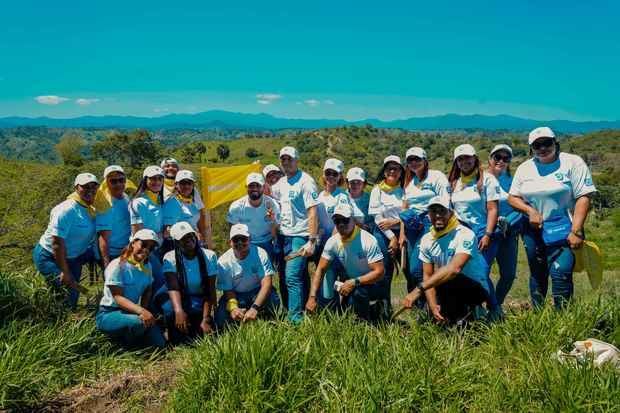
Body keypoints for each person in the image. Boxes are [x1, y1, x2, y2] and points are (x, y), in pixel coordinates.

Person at [508, 127, 597, 309]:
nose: (542, 148)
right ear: (531, 148)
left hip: (565, 227)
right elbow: (512, 197)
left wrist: (577, 230)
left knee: (561, 272)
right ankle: (539, 316)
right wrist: (529, 211)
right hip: (533, 230)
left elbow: (584, 196)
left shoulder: (572, 163)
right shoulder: (525, 168)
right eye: (536, 145)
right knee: (538, 273)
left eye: (547, 143)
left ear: (555, 143)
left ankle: (562, 318)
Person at [402, 197, 491, 325]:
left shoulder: (465, 234)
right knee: (437, 284)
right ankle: (447, 318)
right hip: (448, 285)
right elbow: (427, 275)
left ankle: (474, 313)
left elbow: (455, 268)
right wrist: (433, 306)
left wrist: (418, 289)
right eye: (433, 211)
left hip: (475, 286)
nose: (438, 215)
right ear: (428, 215)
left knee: (447, 279)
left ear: (451, 213)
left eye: (442, 211)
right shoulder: (426, 239)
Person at [306, 204, 387, 322]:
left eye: (345, 220)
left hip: (373, 283)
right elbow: (320, 270)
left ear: (353, 220)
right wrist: (312, 297)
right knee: (328, 276)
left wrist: (355, 282)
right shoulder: (333, 241)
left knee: (359, 293)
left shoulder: (368, 240)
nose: (341, 224)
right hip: (351, 282)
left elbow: (380, 272)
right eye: (337, 221)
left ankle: (365, 324)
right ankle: (332, 314)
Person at [448, 143, 501, 315]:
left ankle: (494, 310)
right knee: (467, 273)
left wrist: (487, 234)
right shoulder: (454, 182)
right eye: (460, 159)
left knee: (481, 273)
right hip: (462, 233)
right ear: (456, 162)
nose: (464, 162)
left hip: (483, 231)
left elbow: (493, 209)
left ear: (475, 158)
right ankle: (475, 310)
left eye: (467, 158)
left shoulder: (487, 179)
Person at [33, 173, 98, 308]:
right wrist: (65, 271)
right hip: (50, 256)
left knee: (71, 296)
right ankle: (56, 320)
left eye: (93, 186)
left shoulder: (89, 208)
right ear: (76, 188)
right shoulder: (66, 210)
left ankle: (70, 309)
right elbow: (56, 243)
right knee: (70, 291)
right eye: (85, 187)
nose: (90, 190)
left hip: (73, 257)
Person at [271, 146, 320, 323]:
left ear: (296, 160)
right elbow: (269, 194)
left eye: (289, 159)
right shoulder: (281, 183)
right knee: (286, 277)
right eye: (283, 159)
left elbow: (312, 211)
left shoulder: (306, 181)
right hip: (283, 236)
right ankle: (297, 311)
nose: (286, 162)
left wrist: (312, 240)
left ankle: (295, 320)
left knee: (292, 276)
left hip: (300, 236)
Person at [95, 229, 166, 349]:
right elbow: (118, 298)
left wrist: (144, 309)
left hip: (131, 311)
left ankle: (134, 338)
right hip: (110, 312)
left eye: (151, 248)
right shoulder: (118, 265)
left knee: (159, 344)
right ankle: (121, 344)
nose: (146, 250)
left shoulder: (147, 266)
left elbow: (148, 289)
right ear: (133, 243)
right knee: (139, 323)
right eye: (143, 245)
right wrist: (142, 312)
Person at [314, 158, 364, 309]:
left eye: (334, 174)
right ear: (323, 174)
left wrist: (330, 244)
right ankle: (331, 313)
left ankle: (348, 313)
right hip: (322, 245)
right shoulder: (319, 196)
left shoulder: (342, 197)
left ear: (340, 177)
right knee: (327, 282)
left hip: (338, 246)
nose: (330, 177)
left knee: (342, 280)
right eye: (328, 173)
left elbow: (340, 222)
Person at [399, 147, 450, 293]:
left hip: (429, 223)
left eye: (417, 159)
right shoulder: (410, 183)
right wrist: (402, 234)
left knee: (418, 268)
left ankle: (431, 302)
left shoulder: (436, 176)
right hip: (411, 226)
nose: (413, 163)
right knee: (410, 269)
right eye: (410, 160)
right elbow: (405, 208)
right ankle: (423, 305)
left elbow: (446, 201)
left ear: (425, 160)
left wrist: (439, 223)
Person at [160, 222, 218, 344]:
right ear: (176, 242)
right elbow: (173, 287)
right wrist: (179, 311)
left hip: (199, 298)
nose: (188, 240)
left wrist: (206, 317)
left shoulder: (209, 256)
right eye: (183, 238)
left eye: (190, 236)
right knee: (170, 310)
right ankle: (173, 332)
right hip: (180, 297)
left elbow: (209, 289)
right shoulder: (170, 258)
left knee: (200, 325)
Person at [214, 224, 279, 330]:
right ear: (230, 242)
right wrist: (234, 308)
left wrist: (254, 308)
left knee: (272, 300)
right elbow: (228, 290)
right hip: (236, 295)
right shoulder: (223, 261)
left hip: (256, 291)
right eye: (236, 240)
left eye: (243, 239)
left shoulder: (261, 253)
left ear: (250, 239)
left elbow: (267, 283)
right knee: (220, 318)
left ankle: (269, 323)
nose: (240, 243)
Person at [486, 144, 521, 305]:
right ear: (490, 159)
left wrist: (509, 221)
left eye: (506, 158)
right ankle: (486, 306)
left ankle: (496, 305)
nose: (501, 161)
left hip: (508, 233)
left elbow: (522, 206)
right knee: (482, 272)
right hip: (487, 233)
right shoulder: (481, 179)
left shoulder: (513, 181)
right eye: (497, 157)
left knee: (508, 274)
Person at [368, 155, 405, 305]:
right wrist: (392, 238)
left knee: (408, 271)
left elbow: (408, 212)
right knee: (383, 271)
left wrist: (397, 221)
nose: (392, 171)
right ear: (384, 171)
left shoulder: (405, 188)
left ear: (401, 171)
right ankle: (383, 305)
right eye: (389, 168)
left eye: (396, 168)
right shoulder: (377, 190)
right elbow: (377, 218)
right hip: (383, 234)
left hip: (404, 231)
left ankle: (418, 306)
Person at [129, 165, 166, 294]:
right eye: (152, 179)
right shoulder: (138, 202)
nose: (156, 182)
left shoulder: (160, 201)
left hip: (159, 247)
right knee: (159, 281)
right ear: (145, 181)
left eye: (159, 179)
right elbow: (137, 233)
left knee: (154, 282)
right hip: (146, 249)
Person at [227, 172, 280, 260]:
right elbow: (232, 229)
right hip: (246, 243)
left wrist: (273, 221)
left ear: (263, 187)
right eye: (251, 186)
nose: (254, 189)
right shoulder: (236, 207)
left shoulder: (272, 204)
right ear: (246, 187)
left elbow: (277, 230)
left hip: (268, 242)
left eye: (258, 186)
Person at [96, 165, 131, 268]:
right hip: (113, 254)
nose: (118, 184)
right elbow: (103, 238)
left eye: (121, 180)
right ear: (106, 182)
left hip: (126, 250)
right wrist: (107, 265)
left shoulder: (125, 196)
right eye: (113, 181)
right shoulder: (106, 204)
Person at [163, 169, 208, 243]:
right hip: (178, 243)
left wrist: (202, 236)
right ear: (176, 185)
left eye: (189, 183)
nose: (186, 186)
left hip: (195, 241)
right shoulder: (171, 202)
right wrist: (191, 233)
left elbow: (198, 221)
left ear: (193, 185)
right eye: (183, 183)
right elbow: (167, 231)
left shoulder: (194, 200)